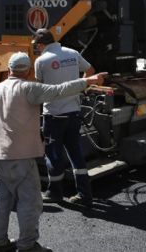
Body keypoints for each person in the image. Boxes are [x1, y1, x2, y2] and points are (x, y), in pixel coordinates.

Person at [0, 52, 106, 252]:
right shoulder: (28, 88)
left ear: (9, 69)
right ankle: (27, 245)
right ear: (27, 71)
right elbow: (59, 90)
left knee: (2, 200)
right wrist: (87, 80)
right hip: (21, 156)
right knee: (29, 202)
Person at [32, 29, 95, 207]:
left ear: (41, 44)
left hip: (53, 114)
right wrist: (81, 87)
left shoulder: (41, 61)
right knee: (75, 152)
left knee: (53, 154)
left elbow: (40, 89)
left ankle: (54, 192)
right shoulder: (72, 53)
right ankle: (84, 194)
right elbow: (90, 70)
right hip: (73, 111)